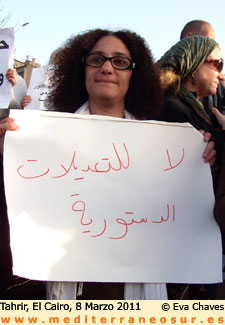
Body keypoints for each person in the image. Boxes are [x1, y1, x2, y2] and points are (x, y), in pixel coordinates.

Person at [0, 29, 216, 300]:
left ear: (133, 75)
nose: (107, 67)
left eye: (120, 61)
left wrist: (200, 160)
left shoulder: (169, 146)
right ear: (82, 69)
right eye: (96, 59)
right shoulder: (43, 141)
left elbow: (191, 219)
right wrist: (7, 152)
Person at [157, 35, 223, 299]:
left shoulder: (195, 109)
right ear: (195, 66)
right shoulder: (174, 111)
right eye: (217, 63)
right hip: (181, 248)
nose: (221, 72)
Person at [180, 20, 225, 121]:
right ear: (190, 38)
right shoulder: (161, 89)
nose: (211, 46)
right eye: (216, 64)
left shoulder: (218, 86)